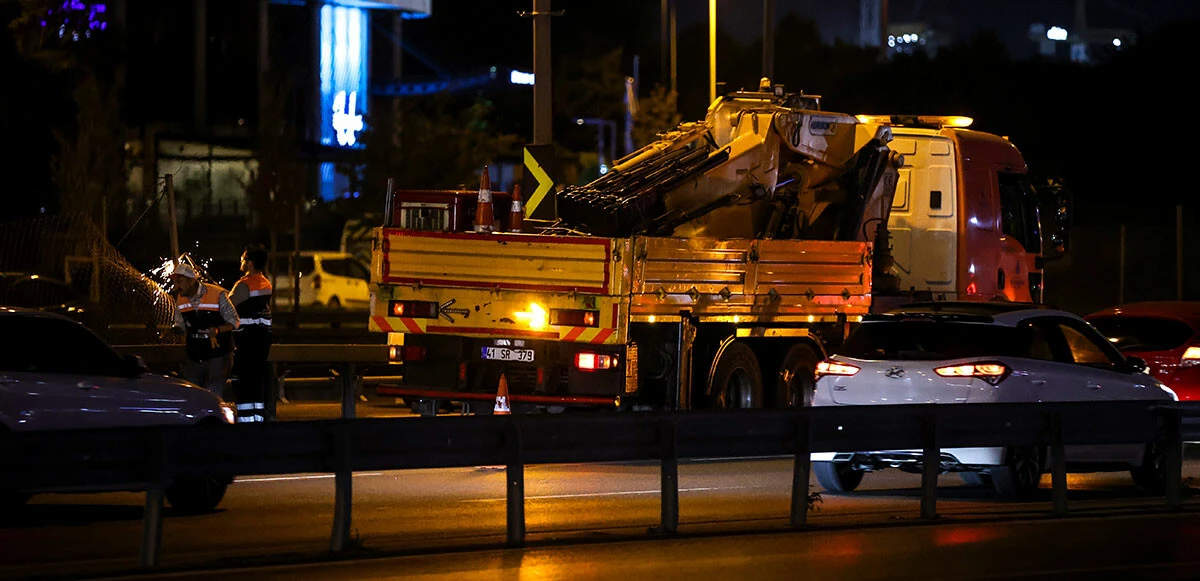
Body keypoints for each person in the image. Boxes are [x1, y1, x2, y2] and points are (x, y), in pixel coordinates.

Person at [171, 262, 239, 398]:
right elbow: (180, 324)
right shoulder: (180, 298)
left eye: (179, 281)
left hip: (218, 353)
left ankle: (213, 418)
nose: (176, 286)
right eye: (175, 281)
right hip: (195, 355)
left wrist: (218, 330)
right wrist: (174, 330)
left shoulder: (217, 294)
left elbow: (234, 321)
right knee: (191, 393)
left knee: (212, 393)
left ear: (191, 281)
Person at [228, 244, 273, 423]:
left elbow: (227, 306)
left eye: (244, 258)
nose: (241, 260)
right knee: (256, 383)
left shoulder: (243, 285)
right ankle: (257, 422)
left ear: (251, 263)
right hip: (262, 342)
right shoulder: (265, 283)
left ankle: (245, 424)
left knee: (242, 384)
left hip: (245, 342)